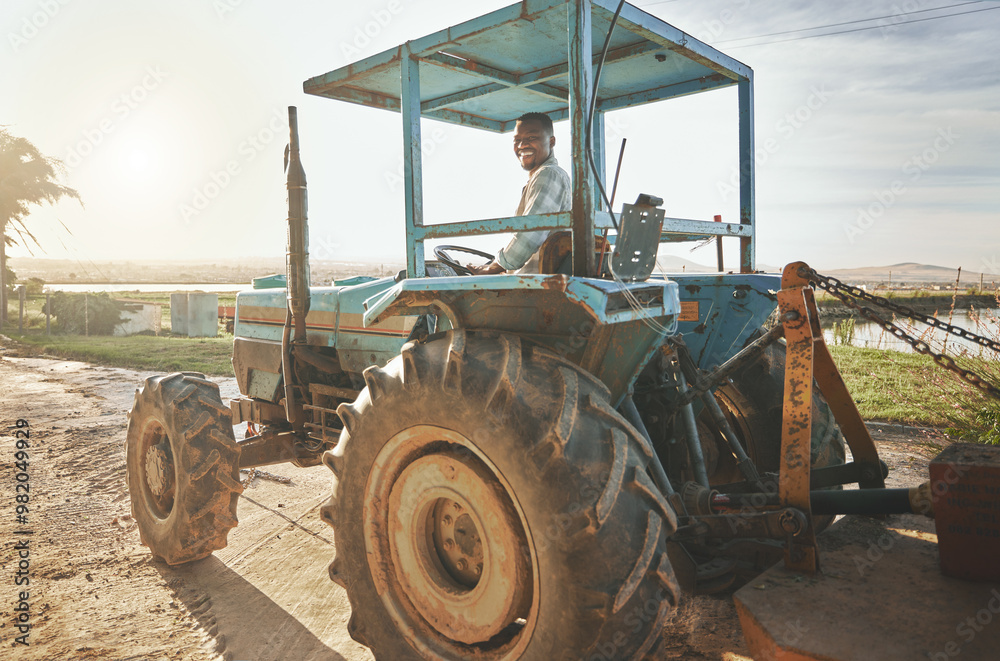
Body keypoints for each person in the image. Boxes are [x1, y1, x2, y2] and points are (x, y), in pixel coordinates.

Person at [468, 112, 571, 275]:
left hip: (538, 283)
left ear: (551, 142)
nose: (522, 145)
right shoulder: (539, 178)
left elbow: (531, 234)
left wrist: (495, 267)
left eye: (531, 138)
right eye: (517, 140)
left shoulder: (548, 174)